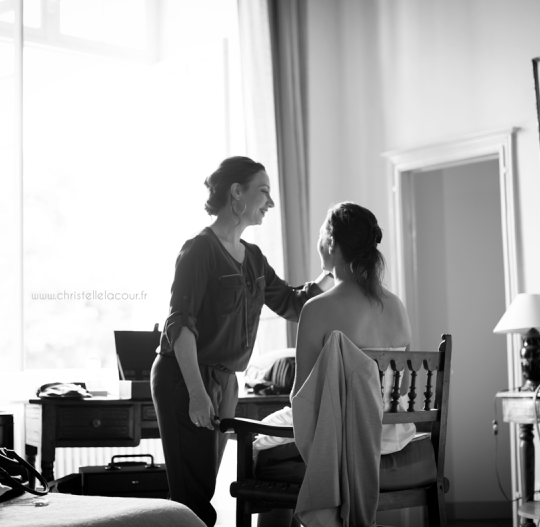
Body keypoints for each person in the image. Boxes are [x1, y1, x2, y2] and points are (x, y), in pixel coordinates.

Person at [150, 156, 333, 526]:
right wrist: (198, 393)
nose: (270, 201)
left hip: (226, 382)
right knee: (192, 496)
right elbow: (179, 325)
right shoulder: (199, 250)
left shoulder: (253, 257)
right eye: (263, 190)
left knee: (202, 488)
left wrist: (333, 270)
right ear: (237, 192)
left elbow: (293, 303)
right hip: (186, 378)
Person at [253, 202, 415, 527]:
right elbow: (407, 389)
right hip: (391, 434)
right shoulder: (396, 305)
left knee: (256, 444)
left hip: (341, 436)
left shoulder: (316, 309)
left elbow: (301, 398)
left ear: (330, 242)